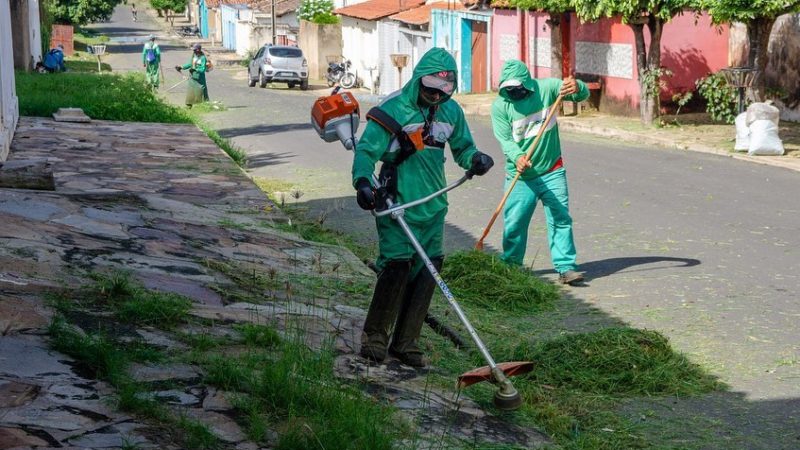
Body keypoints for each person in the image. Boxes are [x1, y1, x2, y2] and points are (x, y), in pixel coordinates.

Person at [352, 47, 495, 368]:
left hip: (433, 204)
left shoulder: (451, 113)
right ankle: (375, 336)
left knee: (428, 268)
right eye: (430, 88)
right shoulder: (392, 110)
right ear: (418, 80)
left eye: (444, 91)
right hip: (396, 203)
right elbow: (365, 151)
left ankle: (407, 341)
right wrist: (362, 181)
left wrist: (475, 159)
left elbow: (463, 148)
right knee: (396, 265)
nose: (435, 96)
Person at [491, 59, 589, 286]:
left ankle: (566, 267)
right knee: (515, 223)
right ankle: (511, 266)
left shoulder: (547, 89)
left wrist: (578, 87)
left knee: (560, 217)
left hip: (552, 170)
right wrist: (518, 157)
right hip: (521, 175)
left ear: (528, 83)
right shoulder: (500, 107)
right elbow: (505, 140)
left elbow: (579, 95)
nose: (514, 92)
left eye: (518, 88)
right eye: (509, 89)